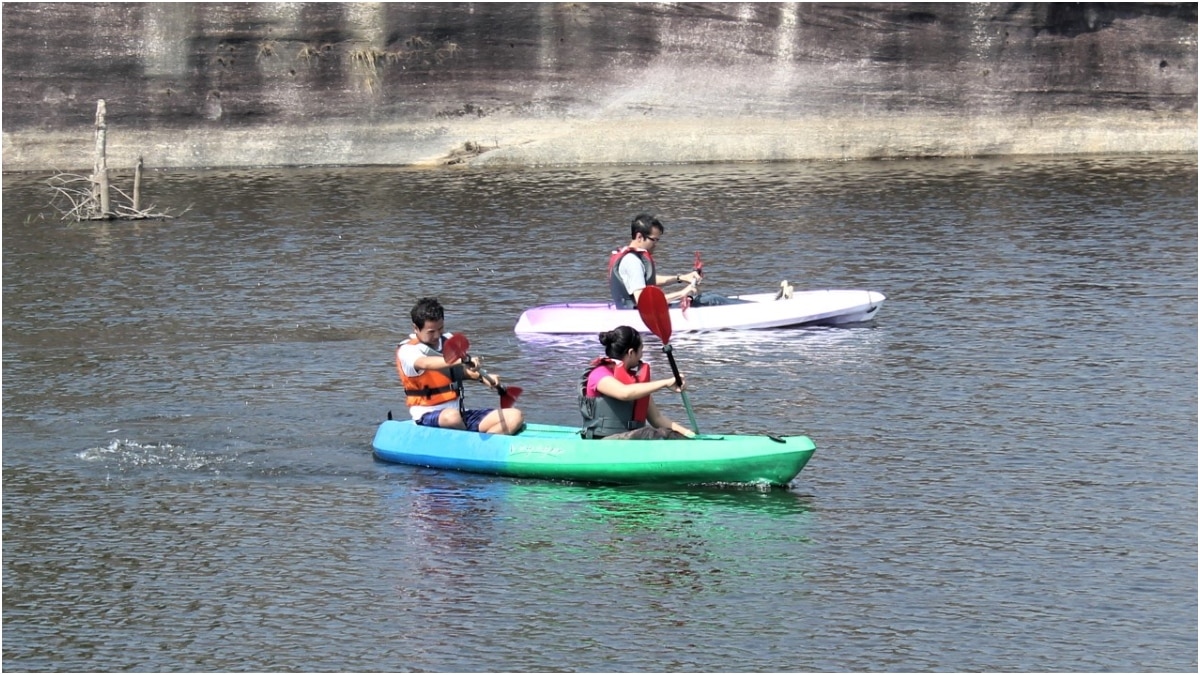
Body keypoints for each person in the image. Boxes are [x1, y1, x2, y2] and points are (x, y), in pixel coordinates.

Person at [396, 297, 524, 435]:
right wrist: (461, 360)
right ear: (416, 328)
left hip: (460, 415)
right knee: (451, 417)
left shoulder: (448, 341)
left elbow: (458, 372)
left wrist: (481, 377)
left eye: (440, 329)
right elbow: (426, 363)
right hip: (427, 417)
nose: (437, 335)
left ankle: (480, 449)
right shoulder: (407, 351)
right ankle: (470, 442)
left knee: (515, 416)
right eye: (431, 332)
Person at [578, 325, 696, 440]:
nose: (642, 355)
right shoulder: (599, 373)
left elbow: (657, 418)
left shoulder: (635, 381)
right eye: (641, 350)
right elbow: (624, 393)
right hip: (602, 440)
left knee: (663, 432)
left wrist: (688, 434)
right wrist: (665, 383)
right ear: (631, 353)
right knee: (650, 433)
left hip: (628, 441)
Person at [607, 213, 744, 309]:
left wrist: (681, 278)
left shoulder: (630, 257)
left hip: (637, 311)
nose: (656, 244)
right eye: (654, 240)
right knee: (712, 300)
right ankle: (753, 309)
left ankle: (750, 306)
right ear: (639, 236)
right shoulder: (632, 261)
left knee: (708, 297)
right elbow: (643, 302)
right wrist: (682, 293)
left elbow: (647, 280)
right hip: (639, 314)